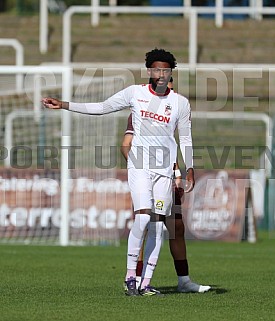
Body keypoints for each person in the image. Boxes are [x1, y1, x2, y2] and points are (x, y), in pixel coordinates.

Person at [42, 48, 195, 296]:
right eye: (156, 69)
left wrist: (190, 169)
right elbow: (102, 107)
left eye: (165, 70)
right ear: (149, 71)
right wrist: (65, 105)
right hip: (140, 166)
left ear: (171, 73)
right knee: (144, 217)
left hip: (165, 170)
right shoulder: (135, 93)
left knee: (159, 226)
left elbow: (186, 138)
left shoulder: (180, 103)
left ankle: (146, 284)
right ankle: (130, 278)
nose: (160, 74)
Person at [121, 111, 211, 294]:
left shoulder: (171, 113)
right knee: (145, 224)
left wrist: (178, 175)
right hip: (144, 176)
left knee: (177, 227)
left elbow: (167, 148)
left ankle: (184, 281)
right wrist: (137, 171)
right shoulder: (139, 111)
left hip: (166, 178)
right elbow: (125, 145)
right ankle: (136, 279)